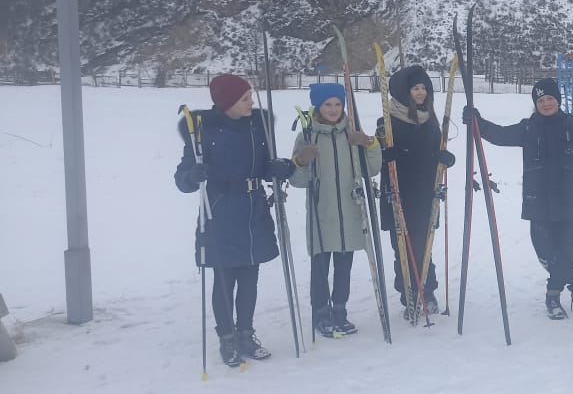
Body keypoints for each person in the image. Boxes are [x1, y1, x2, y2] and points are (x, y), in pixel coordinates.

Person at [462, 78, 573, 320]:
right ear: (535, 104)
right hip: (537, 201)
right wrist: (477, 122)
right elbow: (499, 135)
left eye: (550, 99)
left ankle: (553, 295)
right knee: (545, 251)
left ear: (557, 100)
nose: (546, 103)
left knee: (564, 250)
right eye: (540, 100)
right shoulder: (528, 128)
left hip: (568, 200)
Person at [174, 73, 296, 367]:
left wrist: (281, 168)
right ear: (227, 102)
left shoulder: (257, 127)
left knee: (250, 277)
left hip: (253, 209)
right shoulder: (202, 132)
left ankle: (245, 333)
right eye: (245, 99)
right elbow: (182, 178)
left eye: (251, 97)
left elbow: (266, 167)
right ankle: (226, 337)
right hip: (220, 212)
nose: (251, 103)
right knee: (225, 279)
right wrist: (192, 176)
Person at [288, 83, 381, 337]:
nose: (333, 109)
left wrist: (369, 144)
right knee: (320, 268)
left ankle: (340, 310)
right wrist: (300, 161)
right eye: (328, 105)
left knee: (344, 267)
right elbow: (297, 181)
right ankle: (320, 313)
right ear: (318, 106)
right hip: (322, 214)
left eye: (338, 104)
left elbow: (371, 169)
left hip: (350, 213)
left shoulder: (351, 134)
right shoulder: (308, 136)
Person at [376, 65, 455, 317]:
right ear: (403, 91)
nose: (421, 93)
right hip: (399, 192)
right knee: (402, 245)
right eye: (415, 88)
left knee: (424, 243)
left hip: (424, 191)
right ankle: (408, 290)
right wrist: (384, 155)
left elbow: (434, 152)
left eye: (424, 88)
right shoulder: (387, 121)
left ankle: (427, 287)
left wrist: (445, 157)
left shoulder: (430, 119)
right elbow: (372, 157)